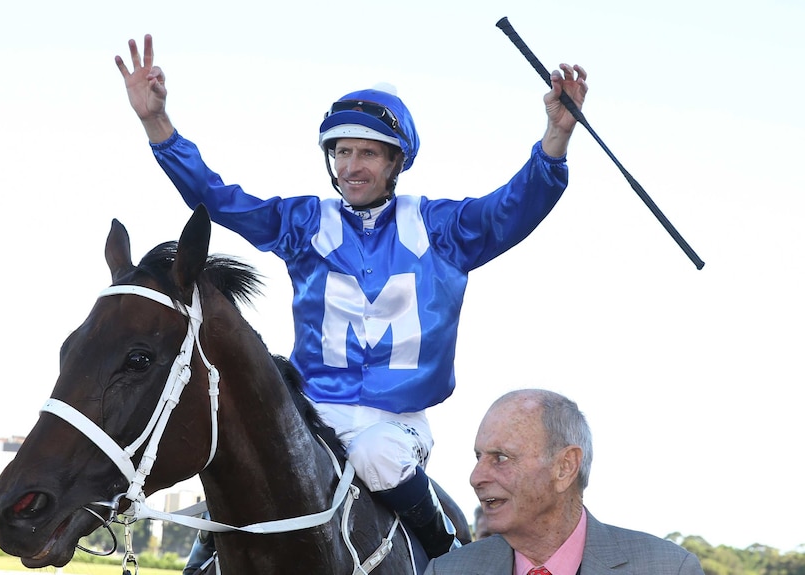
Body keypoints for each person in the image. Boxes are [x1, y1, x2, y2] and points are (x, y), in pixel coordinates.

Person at [115, 35, 588, 559]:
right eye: (342, 152)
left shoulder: (443, 229)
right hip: (312, 411)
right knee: (247, 450)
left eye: (367, 153)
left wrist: (556, 134)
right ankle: (208, 551)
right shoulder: (304, 224)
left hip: (397, 422)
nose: (351, 166)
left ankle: (449, 552)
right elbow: (219, 198)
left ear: (395, 162)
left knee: (377, 453)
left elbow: (516, 206)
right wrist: (156, 124)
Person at [424, 389, 706, 574]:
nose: (476, 478)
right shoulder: (446, 571)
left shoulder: (669, 569)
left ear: (565, 467)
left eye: (501, 458)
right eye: (478, 457)